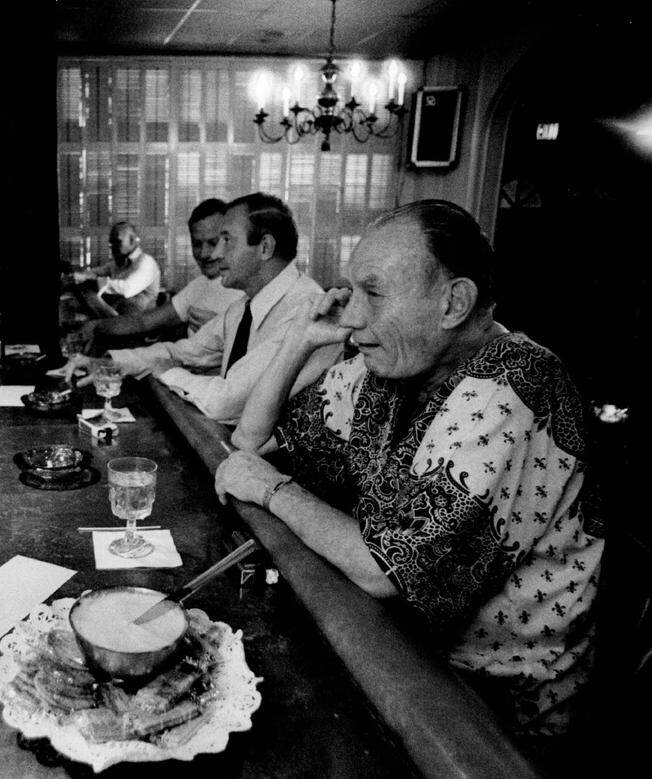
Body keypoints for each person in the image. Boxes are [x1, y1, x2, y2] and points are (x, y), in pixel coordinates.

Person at [214, 200, 604, 741]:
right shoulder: (393, 364)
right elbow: (250, 442)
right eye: (352, 291)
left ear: (454, 303)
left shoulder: (517, 382)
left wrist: (271, 489)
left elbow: (384, 568)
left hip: (491, 711)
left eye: (373, 293)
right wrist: (301, 339)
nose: (352, 316)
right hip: (400, 650)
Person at [66, 192, 342, 423]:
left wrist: (167, 372)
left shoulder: (306, 309)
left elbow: (227, 401)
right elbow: (184, 352)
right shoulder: (243, 308)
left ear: (265, 247)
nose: (216, 254)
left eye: (227, 240)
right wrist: (108, 364)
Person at [77, 199, 245, 352]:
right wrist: (95, 326)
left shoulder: (246, 290)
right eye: (196, 244)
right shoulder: (199, 286)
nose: (204, 253)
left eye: (213, 243)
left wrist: (226, 334)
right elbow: (143, 322)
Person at [73, 221, 162, 317]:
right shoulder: (118, 263)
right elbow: (95, 272)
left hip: (140, 321)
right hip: (119, 318)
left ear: (131, 240)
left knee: (88, 293)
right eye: (111, 243)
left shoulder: (146, 262)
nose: (112, 247)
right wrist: (79, 276)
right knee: (82, 291)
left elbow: (127, 289)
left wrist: (96, 282)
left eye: (117, 241)